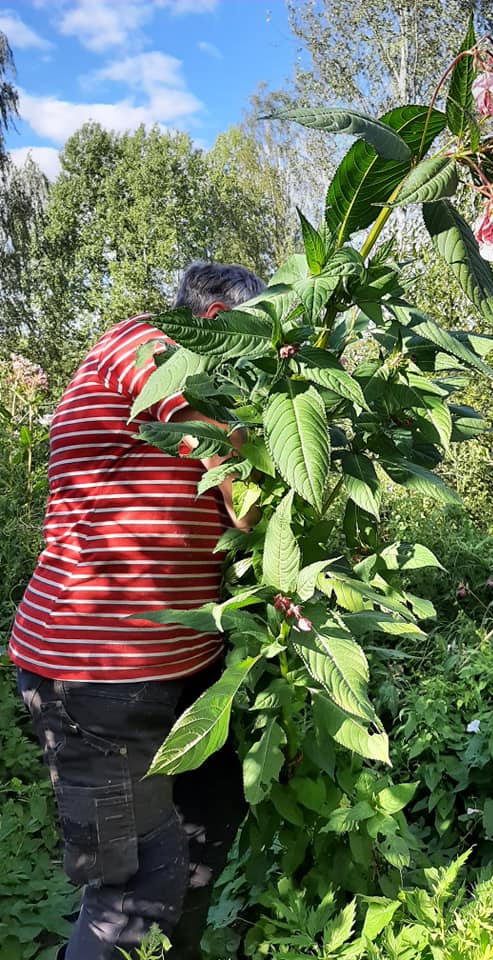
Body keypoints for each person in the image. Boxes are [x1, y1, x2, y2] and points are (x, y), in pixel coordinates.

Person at [8, 261, 265, 959]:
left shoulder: (195, 402)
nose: (259, 358)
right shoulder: (143, 342)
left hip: (177, 677)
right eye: (254, 334)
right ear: (213, 319)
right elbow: (250, 486)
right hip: (95, 675)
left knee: (204, 831)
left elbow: (237, 516)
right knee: (131, 892)